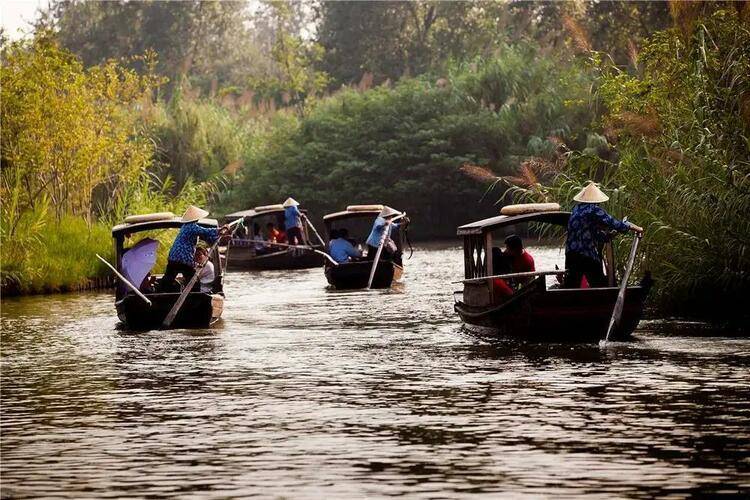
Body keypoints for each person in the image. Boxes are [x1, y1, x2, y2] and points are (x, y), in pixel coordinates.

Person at [563, 182, 643, 288]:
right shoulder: (593, 209)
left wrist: (608, 236)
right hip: (585, 254)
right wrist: (634, 228)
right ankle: (605, 301)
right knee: (599, 284)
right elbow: (613, 222)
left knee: (571, 286)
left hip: (571, 254)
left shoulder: (576, 210)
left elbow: (593, 234)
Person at [159, 206, 228, 291]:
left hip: (173, 257)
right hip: (183, 258)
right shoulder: (191, 227)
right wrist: (220, 229)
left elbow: (206, 236)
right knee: (193, 280)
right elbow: (205, 231)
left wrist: (220, 235)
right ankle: (194, 295)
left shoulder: (185, 227)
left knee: (168, 278)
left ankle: (161, 292)